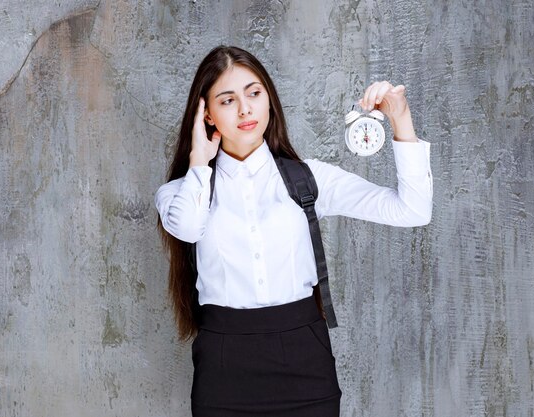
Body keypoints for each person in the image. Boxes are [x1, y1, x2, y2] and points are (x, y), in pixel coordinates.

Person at [155, 45, 433, 417]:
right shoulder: (180, 193)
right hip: (224, 366)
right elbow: (187, 228)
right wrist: (199, 161)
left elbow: (412, 210)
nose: (245, 109)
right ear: (205, 114)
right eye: (227, 100)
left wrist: (401, 119)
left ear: (269, 98)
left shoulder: (308, 179)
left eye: (254, 93)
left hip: (305, 359)